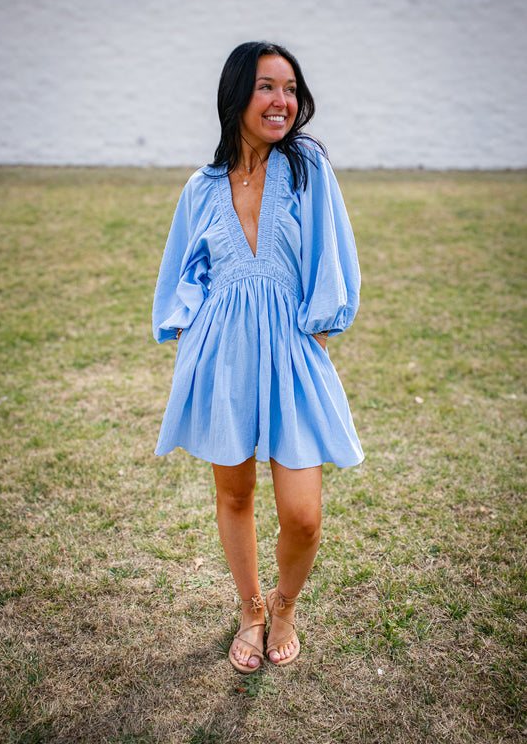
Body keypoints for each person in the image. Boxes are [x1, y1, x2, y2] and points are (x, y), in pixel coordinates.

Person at [152, 41, 363, 673]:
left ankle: (285, 604)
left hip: (293, 348)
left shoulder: (307, 169)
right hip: (222, 356)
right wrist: (191, 331)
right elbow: (183, 269)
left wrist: (319, 333)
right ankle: (250, 610)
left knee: (302, 516)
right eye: (268, 87)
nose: (283, 102)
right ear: (237, 94)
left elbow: (333, 255)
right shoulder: (202, 185)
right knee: (235, 494)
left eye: (291, 89)